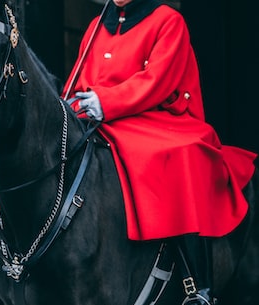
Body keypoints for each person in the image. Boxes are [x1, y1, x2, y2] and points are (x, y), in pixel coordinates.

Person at [62, 0, 258, 304]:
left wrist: (107, 102)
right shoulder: (96, 26)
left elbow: (157, 79)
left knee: (185, 151)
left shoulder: (168, 20)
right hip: (103, 119)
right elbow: (81, 80)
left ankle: (199, 286)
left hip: (157, 115)